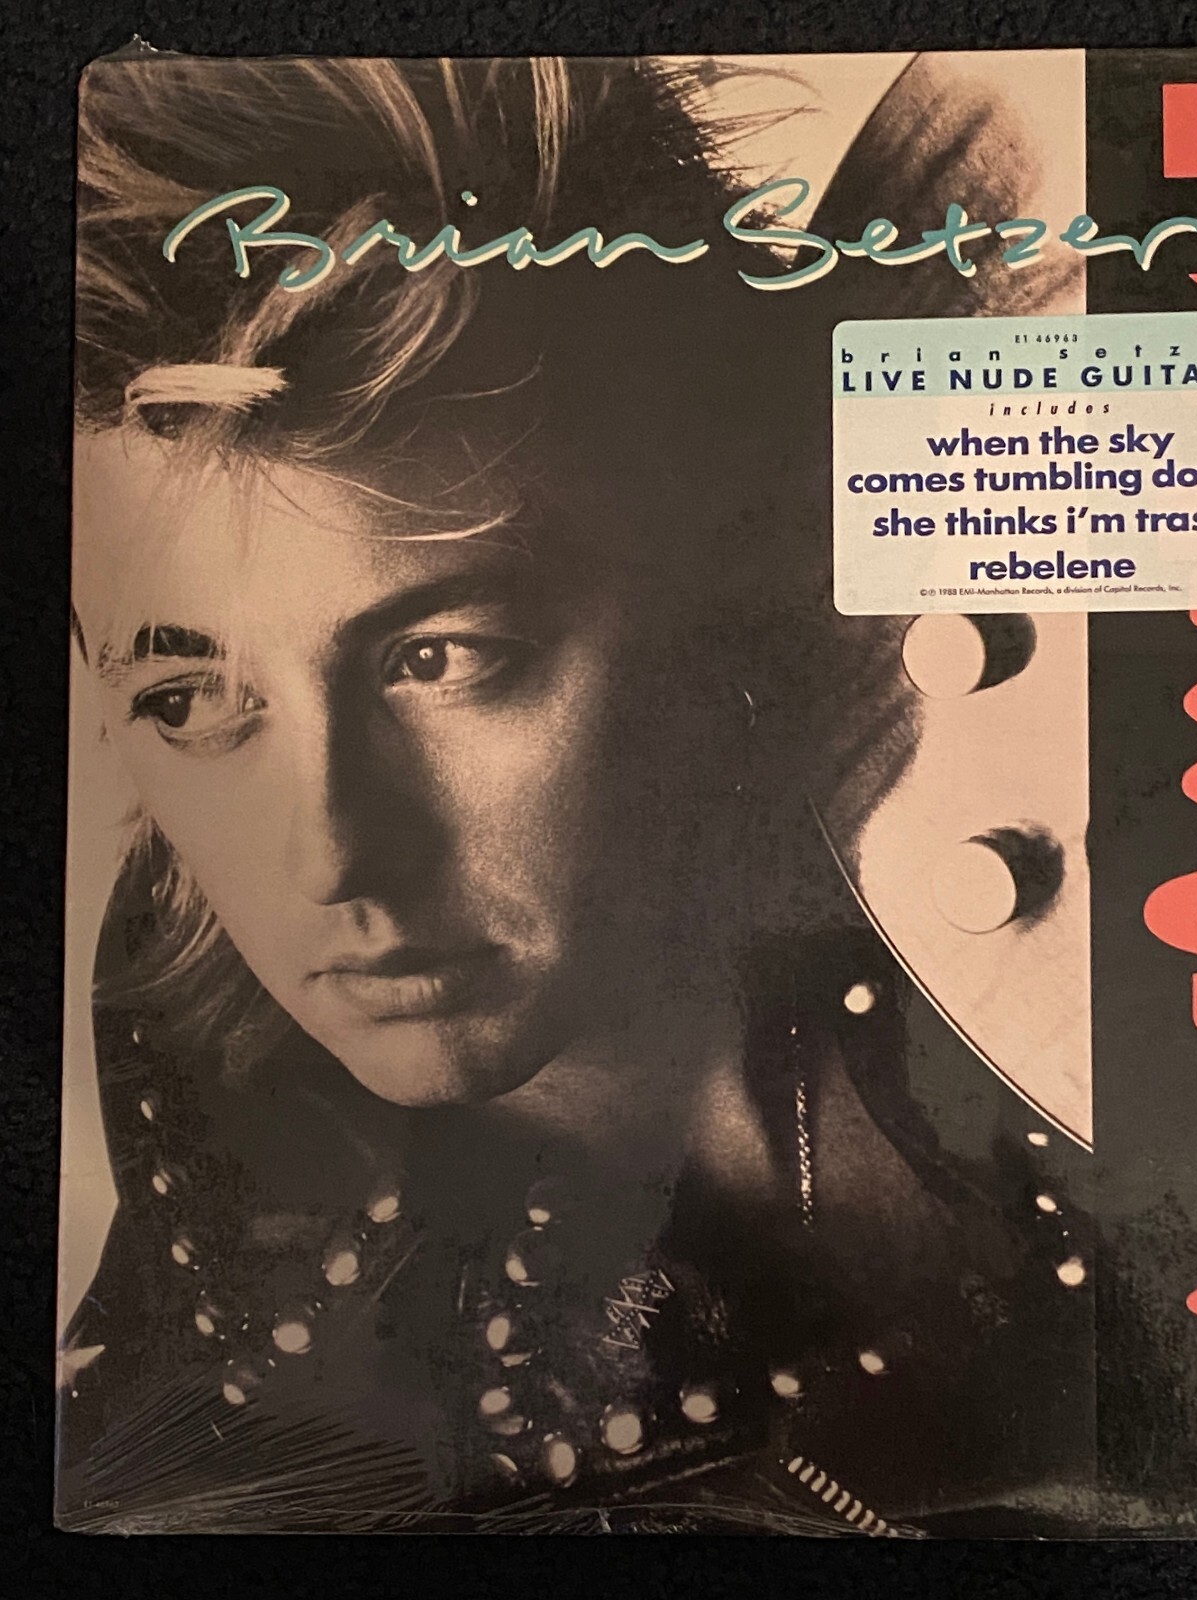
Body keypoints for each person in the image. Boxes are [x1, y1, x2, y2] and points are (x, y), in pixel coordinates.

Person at [59, 52, 1094, 1534]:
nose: (331, 855)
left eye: (440, 657)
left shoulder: (1046, 917)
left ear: (726, 582)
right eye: (187, 700)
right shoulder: (203, 1086)